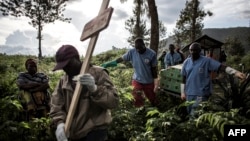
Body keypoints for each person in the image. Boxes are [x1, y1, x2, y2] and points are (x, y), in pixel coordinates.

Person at [50, 45, 119, 141]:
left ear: (76, 59)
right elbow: (56, 105)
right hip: (73, 133)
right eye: (63, 67)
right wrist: (60, 123)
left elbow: (113, 102)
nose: (65, 69)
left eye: (67, 64)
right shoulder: (63, 81)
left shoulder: (98, 73)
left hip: (95, 132)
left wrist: (95, 89)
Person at [180, 42, 246, 118]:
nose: (193, 52)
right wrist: (182, 92)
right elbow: (183, 78)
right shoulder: (186, 62)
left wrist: (235, 72)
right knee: (189, 113)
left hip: (201, 94)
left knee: (195, 114)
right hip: (189, 93)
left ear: (199, 51)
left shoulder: (206, 61)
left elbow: (221, 67)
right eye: (191, 50)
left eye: (195, 50)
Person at [101, 37, 159, 107]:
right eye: (137, 50)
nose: (139, 51)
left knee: (152, 99)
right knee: (136, 97)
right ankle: (140, 111)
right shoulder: (132, 52)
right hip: (137, 80)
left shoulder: (152, 54)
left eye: (141, 49)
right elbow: (121, 59)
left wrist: (156, 83)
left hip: (148, 81)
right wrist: (110, 63)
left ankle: (156, 110)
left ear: (144, 45)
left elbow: (154, 69)